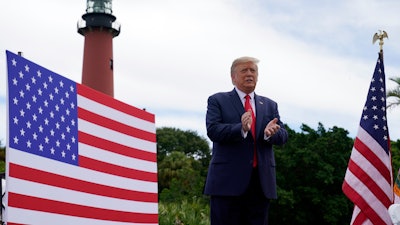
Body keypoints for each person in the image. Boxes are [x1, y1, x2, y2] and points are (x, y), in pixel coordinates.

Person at [204, 56, 288, 225]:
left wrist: (270, 134)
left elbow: (283, 135)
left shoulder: (270, 105)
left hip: (261, 185)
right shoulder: (217, 100)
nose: (249, 74)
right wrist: (240, 128)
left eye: (253, 71)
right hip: (227, 184)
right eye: (244, 70)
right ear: (233, 77)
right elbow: (213, 130)